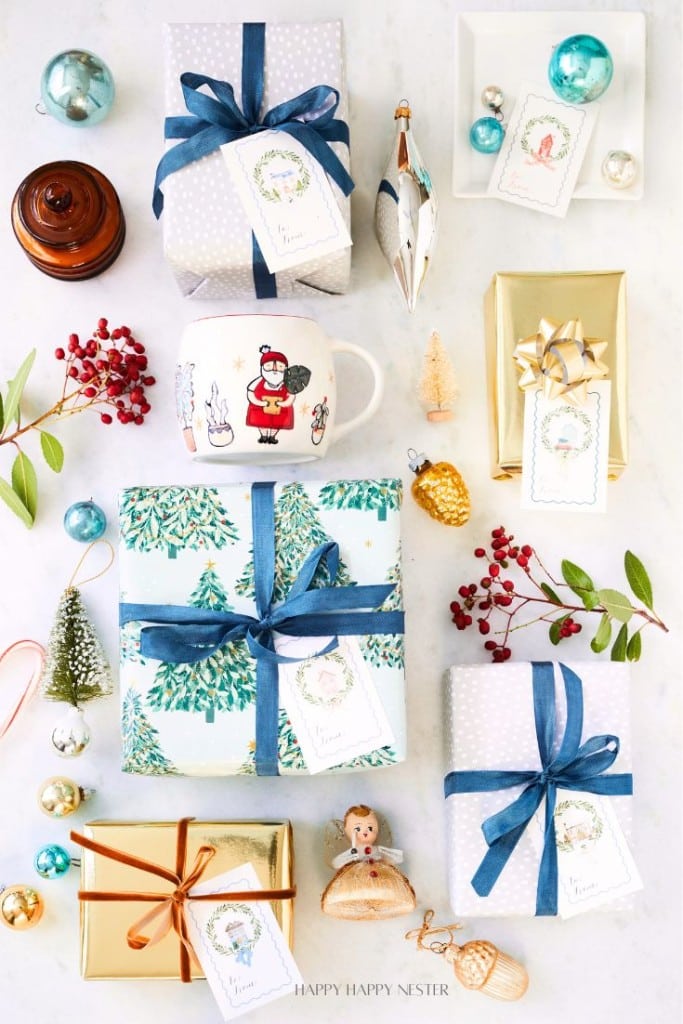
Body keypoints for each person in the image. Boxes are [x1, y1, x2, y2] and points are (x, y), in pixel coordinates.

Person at [321, 804, 416, 920]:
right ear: (346, 831)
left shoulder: (377, 850)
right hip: (355, 878)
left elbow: (397, 857)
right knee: (354, 891)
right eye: (358, 829)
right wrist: (351, 854)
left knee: (384, 889)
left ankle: (380, 902)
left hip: (380, 877)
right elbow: (336, 863)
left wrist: (383, 854)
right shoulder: (353, 852)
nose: (365, 832)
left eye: (370, 828)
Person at [245, 345, 295, 444]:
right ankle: (263, 436)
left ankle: (272, 436)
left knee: (277, 423)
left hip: (280, 410)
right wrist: (260, 403)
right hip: (261, 409)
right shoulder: (258, 381)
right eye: (269, 366)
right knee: (261, 422)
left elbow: (291, 396)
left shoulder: (287, 384)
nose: (274, 370)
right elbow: (250, 392)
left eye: (280, 367)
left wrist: (283, 404)